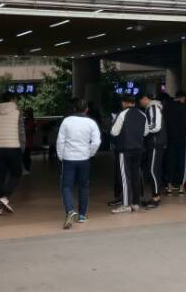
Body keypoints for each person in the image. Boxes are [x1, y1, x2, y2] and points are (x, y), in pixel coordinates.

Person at [57, 98, 102, 228]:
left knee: (66, 186)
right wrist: (90, 153)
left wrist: (61, 156)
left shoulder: (66, 121)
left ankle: (70, 211)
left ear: (74, 108)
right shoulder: (91, 122)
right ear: (87, 109)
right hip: (84, 159)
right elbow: (96, 142)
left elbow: (60, 141)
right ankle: (82, 215)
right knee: (83, 186)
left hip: (69, 159)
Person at [109, 94, 147, 213]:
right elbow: (146, 132)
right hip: (138, 149)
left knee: (125, 177)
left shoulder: (122, 114)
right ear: (134, 103)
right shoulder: (142, 114)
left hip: (124, 149)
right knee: (135, 175)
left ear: (124, 103)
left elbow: (114, 132)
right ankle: (135, 203)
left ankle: (125, 204)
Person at [0, 91, 26, 215]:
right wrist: (22, 148)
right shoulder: (18, 112)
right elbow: (21, 132)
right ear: (12, 99)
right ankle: (5, 197)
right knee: (16, 174)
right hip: (14, 147)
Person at [139, 91, 167, 209]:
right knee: (153, 170)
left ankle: (156, 198)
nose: (140, 102)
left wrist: (141, 129)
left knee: (153, 170)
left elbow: (155, 126)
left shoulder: (153, 108)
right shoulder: (152, 108)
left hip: (155, 143)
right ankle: (154, 196)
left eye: (140, 100)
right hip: (155, 143)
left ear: (145, 98)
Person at [164, 90, 186, 195]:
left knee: (171, 161)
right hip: (182, 137)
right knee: (182, 162)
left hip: (170, 138)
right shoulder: (184, 107)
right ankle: (181, 187)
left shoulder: (167, 107)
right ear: (182, 97)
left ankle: (169, 187)